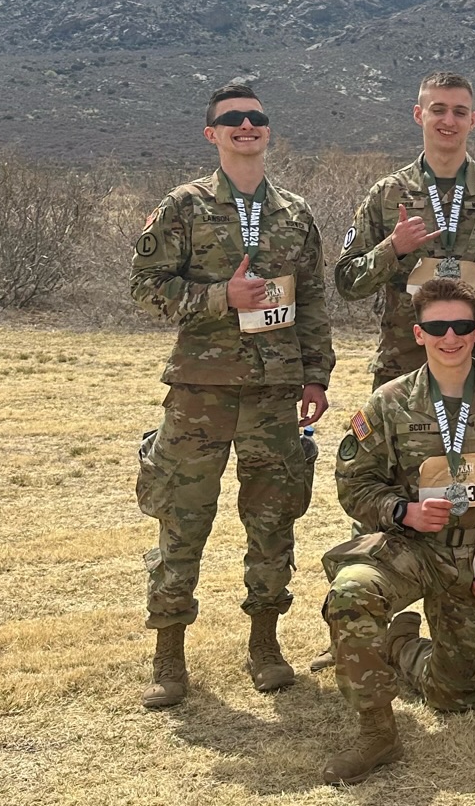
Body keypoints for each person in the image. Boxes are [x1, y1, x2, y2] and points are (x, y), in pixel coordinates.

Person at [131, 82, 333, 708]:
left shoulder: (296, 214)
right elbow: (145, 286)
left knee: (273, 520)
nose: (246, 127)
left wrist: (315, 376)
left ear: (268, 130)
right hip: (201, 390)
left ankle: (265, 643)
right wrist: (222, 296)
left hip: (275, 392)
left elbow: (314, 300)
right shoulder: (184, 207)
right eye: (232, 120)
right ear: (211, 133)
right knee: (182, 516)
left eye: (256, 119)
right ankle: (169, 653)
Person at [319, 279, 475, 784]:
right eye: (436, 327)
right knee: (351, 594)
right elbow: (353, 482)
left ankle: (402, 645)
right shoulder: (388, 403)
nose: (451, 337)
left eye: (462, 326)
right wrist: (402, 511)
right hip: (410, 547)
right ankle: (376, 733)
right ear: (418, 334)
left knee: (457, 697)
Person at [334, 71, 475, 386]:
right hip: (402, 371)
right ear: (419, 114)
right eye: (438, 109)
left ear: (472, 120)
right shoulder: (387, 194)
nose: (449, 120)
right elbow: (348, 283)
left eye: (459, 112)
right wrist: (391, 249)